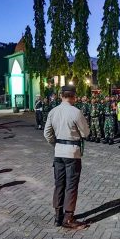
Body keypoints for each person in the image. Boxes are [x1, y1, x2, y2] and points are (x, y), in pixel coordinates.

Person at [44, 85, 90, 229]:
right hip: (72, 153)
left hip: (58, 153)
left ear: (61, 95)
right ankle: (68, 218)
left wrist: (56, 145)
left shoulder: (53, 111)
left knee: (59, 184)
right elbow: (86, 133)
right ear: (74, 96)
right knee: (71, 185)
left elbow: (47, 134)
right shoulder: (76, 112)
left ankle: (58, 217)